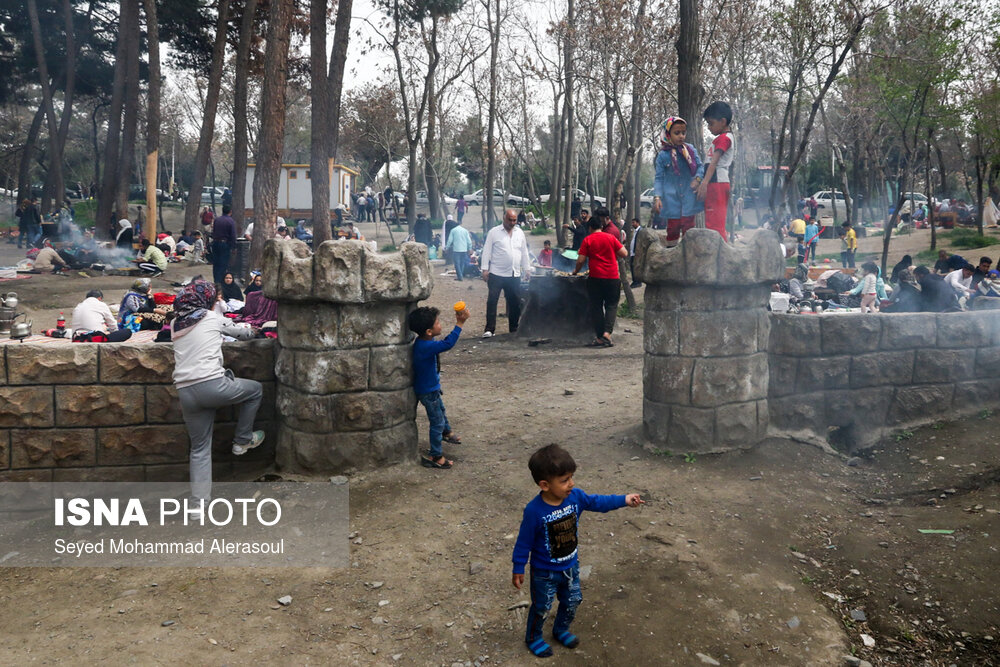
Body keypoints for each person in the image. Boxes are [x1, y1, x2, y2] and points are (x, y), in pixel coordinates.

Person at [511, 444, 644, 658]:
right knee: (542, 606)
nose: (571, 483)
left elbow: (598, 501)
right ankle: (534, 637)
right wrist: (518, 567)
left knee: (573, 600)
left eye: (571, 477)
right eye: (564, 480)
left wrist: (624, 499)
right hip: (544, 572)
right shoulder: (534, 511)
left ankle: (560, 630)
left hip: (571, 566)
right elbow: (523, 542)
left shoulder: (576, 497)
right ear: (545, 485)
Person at [172, 279, 264, 501]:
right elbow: (244, 334)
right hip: (213, 385)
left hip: (185, 391)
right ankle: (242, 440)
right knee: (256, 390)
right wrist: (255, 330)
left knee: (199, 449)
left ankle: (198, 505)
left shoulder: (176, 323)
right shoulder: (211, 317)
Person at [409, 305, 469, 470]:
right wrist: (460, 323)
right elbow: (448, 343)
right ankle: (436, 455)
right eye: (438, 322)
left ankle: (446, 432)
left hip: (430, 388)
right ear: (429, 331)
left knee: (440, 411)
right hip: (428, 391)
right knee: (436, 421)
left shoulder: (424, 342)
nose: (440, 325)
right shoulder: (426, 346)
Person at [573, 214, 628, 347]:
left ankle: (599, 337)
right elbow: (624, 253)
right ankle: (607, 334)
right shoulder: (611, 238)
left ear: (590, 227)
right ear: (601, 226)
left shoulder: (588, 240)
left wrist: (576, 271)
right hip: (612, 277)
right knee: (611, 305)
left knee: (596, 307)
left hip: (595, 278)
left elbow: (580, 260)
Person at [652, 116, 705, 245]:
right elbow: (659, 178)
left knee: (689, 227)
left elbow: (700, 167)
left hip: (688, 196)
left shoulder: (690, 150)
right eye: (677, 133)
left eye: (683, 133)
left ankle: (689, 255)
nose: (681, 136)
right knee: (673, 228)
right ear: (668, 134)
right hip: (671, 199)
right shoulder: (662, 156)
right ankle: (672, 256)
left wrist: (697, 180)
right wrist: (657, 197)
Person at [480, 209, 532, 337]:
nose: (512, 222)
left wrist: (527, 268)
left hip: (514, 274)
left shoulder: (520, 233)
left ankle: (513, 328)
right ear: (504, 218)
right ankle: (489, 329)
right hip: (496, 273)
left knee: (514, 302)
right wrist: (485, 269)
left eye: (514, 220)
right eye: (510, 220)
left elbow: (524, 251)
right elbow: (486, 251)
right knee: (492, 301)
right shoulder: (494, 232)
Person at [696, 101, 735, 240]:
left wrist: (704, 184)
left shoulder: (724, 139)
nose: (708, 127)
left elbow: (714, 163)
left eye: (711, 123)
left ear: (723, 121)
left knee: (715, 227)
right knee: (712, 224)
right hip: (714, 184)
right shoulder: (720, 139)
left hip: (717, 184)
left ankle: (720, 259)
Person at [212, 204, 237, 284]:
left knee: (216, 263)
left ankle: (216, 280)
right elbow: (233, 235)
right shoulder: (230, 221)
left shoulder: (217, 220)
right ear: (230, 212)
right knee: (223, 263)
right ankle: (221, 281)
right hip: (224, 244)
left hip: (215, 243)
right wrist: (233, 247)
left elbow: (214, 231)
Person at [628, 218, 642, 287]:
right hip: (633, 253)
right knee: (632, 267)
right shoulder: (636, 231)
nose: (632, 224)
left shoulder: (640, 231)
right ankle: (635, 281)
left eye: (633, 222)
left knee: (635, 267)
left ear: (638, 223)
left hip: (636, 253)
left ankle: (637, 282)